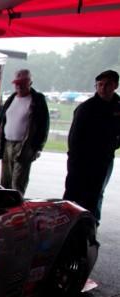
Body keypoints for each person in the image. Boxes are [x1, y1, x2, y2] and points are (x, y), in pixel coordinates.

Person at [63, 70, 120, 221]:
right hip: (81, 159)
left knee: (95, 194)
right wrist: (74, 161)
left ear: (115, 86)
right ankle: (67, 226)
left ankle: (91, 227)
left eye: (107, 84)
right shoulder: (86, 108)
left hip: (104, 159)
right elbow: (74, 138)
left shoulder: (118, 108)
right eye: (99, 85)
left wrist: (112, 145)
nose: (103, 88)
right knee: (73, 194)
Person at [0, 69, 50, 195]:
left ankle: (17, 210)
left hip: (24, 146)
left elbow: (44, 126)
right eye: (17, 82)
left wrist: (38, 148)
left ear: (30, 82)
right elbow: (2, 121)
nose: (19, 85)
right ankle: (4, 209)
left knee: (18, 183)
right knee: (4, 182)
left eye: (23, 82)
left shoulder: (38, 100)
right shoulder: (11, 99)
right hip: (7, 144)